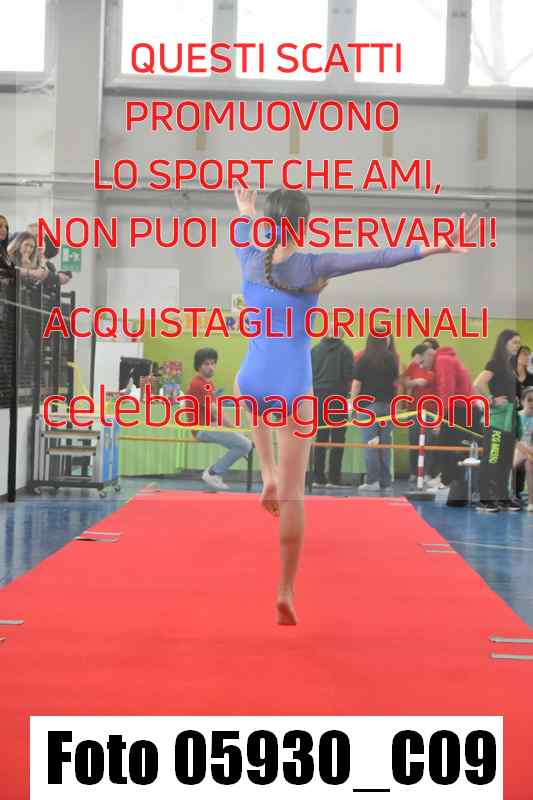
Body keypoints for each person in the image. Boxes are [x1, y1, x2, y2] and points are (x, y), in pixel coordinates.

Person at [232, 186, 477, 624]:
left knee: (248, 395)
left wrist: (246, 208)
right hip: (293, 387)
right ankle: (285, 589)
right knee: (293, 497)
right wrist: (435, 246)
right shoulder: (313, 265)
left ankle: (266, 471)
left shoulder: (249, 256)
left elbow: (248, 230)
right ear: (306, 224)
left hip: (253, 379)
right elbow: (378, 257)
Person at [187, 347, 252, 491]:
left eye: (213, 363)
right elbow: (216, 412)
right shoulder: (198, 383)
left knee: (244, 444)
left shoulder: (208, 383)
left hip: (209, 426)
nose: (211, 367)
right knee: (245, 445)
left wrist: (231, 429)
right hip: (202, 429)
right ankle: (213, 473)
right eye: (206, 364)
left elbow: (213, 411)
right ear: (198, 366)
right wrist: (235, 429)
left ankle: (215, 471)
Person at [420, 343, 478, 505]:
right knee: (449, 447)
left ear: (429, 355)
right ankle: (448, 481)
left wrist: (440, 418)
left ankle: (447, 483)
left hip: (460, 410)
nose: (423, 367)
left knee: (447, 447)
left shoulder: (443, 361)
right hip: (463, 408)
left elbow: (447, 389)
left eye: (422, 362)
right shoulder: (448, 360)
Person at [473, 329, 521, 512]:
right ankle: (484, 499)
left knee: (505, 461)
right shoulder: (495, 363)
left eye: (518, 342)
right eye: (514, 342)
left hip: (509, 420)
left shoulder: (510, 365)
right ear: (504, 343)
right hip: (495, 421)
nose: (517, 346)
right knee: (491, 459)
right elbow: (478, 383)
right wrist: (491, 399)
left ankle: (502, 497)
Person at [352, 333, 399, 491]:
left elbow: (357, 384)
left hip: (367, 407)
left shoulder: (364, 359)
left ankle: (372, 481)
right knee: (385, 445)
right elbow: (395, 382)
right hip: (387, 406)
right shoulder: (392, 358)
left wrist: (353, 405)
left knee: (371, 444)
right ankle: (385, 482)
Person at [310, 324, 355, 488]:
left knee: (320, 438)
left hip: (318, 398)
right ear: (341, 335)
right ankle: (334, 478)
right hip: (337, 398)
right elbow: (349, 375)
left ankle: (318, 478)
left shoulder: (314, 351)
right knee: (337, 439)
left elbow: (308, 374)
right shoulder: (346, 351)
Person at [402, 343, 435, 485]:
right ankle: (413, 473)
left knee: (428, 443)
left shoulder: (436, 368)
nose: (430, 357)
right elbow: (405, 383)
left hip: (430, 411)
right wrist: (415, 382)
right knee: (414, 441)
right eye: (428, 354)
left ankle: (426, 473)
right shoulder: (413, 367)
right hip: (414, 410)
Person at [513, 346, 533, 499]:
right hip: (514, 416)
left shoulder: (531, 377)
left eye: (528, 355)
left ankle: (522, 494)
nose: (526, 358)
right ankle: (514, 492)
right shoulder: (509, 376)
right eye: (523, 355)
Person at [513, 387, 533, 512]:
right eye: (529, 400)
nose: (532, 404)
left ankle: (531, 502)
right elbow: (513, 441)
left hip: (529, 456)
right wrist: (527, 452)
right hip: (515, 453)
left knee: (530, 464)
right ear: (522, 402)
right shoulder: (516, 417)